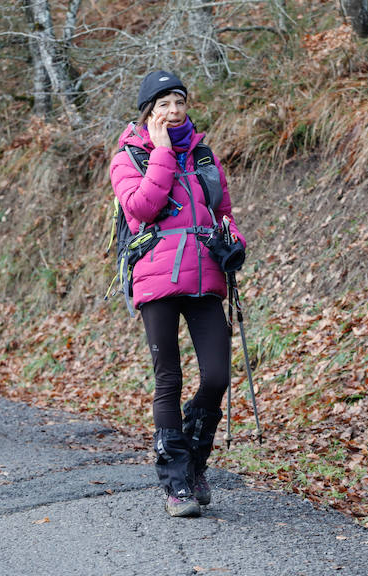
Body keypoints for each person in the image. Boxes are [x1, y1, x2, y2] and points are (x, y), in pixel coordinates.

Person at [108, 70, 247, 517]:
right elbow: (142, 208)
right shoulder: (128, 157)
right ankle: (176, 484)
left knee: (217, 377)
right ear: (148, 110)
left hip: (206, 275)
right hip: (156, 277)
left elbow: (222, 211)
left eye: (179, 102)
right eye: (163, 103)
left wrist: (235, 242)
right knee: (168, 379)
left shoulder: (204, 155)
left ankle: (194, 465)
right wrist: (164, 154)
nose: (173, 111)